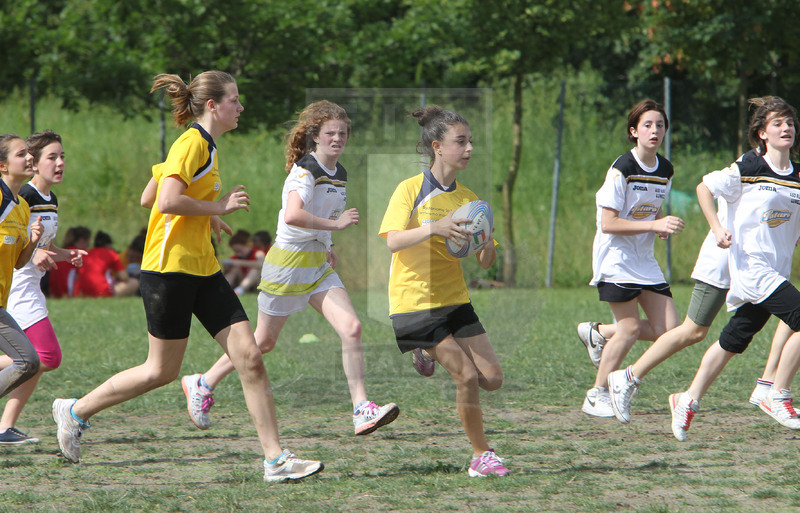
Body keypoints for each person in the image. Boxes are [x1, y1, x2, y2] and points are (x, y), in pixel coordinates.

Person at [52, 71, 323, 482]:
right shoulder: (192, 143)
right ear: (212, 105)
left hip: (204, 269)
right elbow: (163, 200)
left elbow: (151, 195)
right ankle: (75, 411)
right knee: (160, 371)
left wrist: (206, 217)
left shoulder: (205, 146)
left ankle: (275, 460)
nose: (241, 107)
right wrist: (218, 207)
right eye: (234, 100)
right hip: (168, 272)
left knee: (249, 357)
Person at [181, 100, 399, 437]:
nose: (337, 139)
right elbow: (293, 215)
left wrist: (328, 244)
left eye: (343, 133)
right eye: (330, 133)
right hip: (288, 265)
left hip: (317, 265)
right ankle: (203, 382)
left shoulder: (339, 172)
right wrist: (335, 225)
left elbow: (321, 212)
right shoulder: (305, 170)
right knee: (263, 342)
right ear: (316, 136)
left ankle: (361, 409)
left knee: (352, 328)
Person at [379, 105, 508, 477]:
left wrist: (486, 242)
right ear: (437, 147)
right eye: (461, 142)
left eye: (471, 142)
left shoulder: (469, 199)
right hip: (414, 302)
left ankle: (425, 351)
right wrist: (435, 228)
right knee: (466, 376)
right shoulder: (410, 189)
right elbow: (393, 240)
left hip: (455, 300)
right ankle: (481, 455)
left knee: (492, 379)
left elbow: (484, 261)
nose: (469, 149)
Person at [667, 96, 800, 441]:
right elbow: (704, 188)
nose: (786, 128)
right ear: (762, 133)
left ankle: (687, 398)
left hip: (776, 272)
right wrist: (716, 228)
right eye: (777, 123)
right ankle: (777, 394)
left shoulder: (798, 174)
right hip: (753, 269)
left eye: (789, 122)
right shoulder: (750, 165)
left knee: (734, 339)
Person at [580, 100, 685, 418]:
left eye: (660, 125)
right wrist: (654, 225)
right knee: (628, 329)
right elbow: (608, 223)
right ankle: (596, 394)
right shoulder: (622, 169)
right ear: (634, 131)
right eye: (647, 125)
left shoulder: (665, 169)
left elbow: (651, 207)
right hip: (616, 259)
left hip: (644, 261)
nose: (655, 130)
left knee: (670, 330)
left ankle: (600, 333)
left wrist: (660, 223)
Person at [0, 130, 86, 445]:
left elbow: (36, 246)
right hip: (18, 287)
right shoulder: (23, 195)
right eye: (52, 157)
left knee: (36, 360)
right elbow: (20, 244)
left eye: (62, 156)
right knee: (42, 356)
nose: (59, 162)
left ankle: (4, 426)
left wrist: (64, 254)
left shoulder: (42, 200)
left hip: (25, 287)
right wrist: (34, 252)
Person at [0, 135, 48, 405]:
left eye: (29, 153)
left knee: (28, 362)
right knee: (27, 360)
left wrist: (32, 242)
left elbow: (18, 263)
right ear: (2, 165)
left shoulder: (23, 207)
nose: (30, 157)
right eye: (21, 154)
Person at [74, 230, 139, 297]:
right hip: (102, 291)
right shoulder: (111, 254)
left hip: (82, 292)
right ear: (108, 245)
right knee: (135, 282)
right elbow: (124, 277)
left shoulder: (86, 254)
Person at [47, 226, 90, 298]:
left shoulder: (64, 252)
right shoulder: (78, 254)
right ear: (82, 240)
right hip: (66, 291)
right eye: (88, 241)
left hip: (55, 291)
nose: (89, 245)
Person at [222, 229, 264, 295]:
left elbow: (261, 264)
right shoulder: (236, 258)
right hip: (241, 280)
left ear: (247, 245)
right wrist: (227, 267)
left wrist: (240, 262)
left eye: (240, 250)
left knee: (254, 270)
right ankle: (224, 289)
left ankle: (239, 290)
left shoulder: (258, 253)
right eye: (236, 252)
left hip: (256, 283)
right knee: (234, 269)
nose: (238, 254)